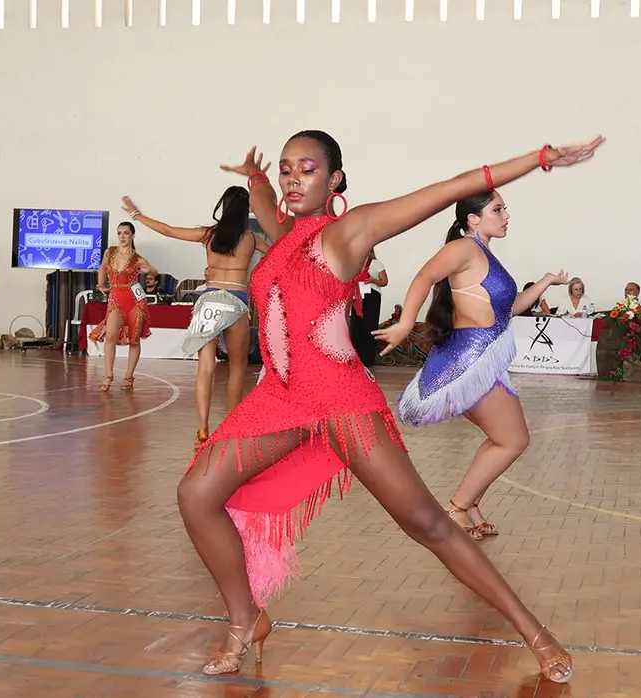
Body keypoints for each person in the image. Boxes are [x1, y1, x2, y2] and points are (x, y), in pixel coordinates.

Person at [177, 131, 604, 683]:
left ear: (334, 180)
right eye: (287, 169)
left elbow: (451, 187)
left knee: (427, 523)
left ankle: (535, 632)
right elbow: (269, 211)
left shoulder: (349, 232)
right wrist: (257, 181)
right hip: (279, 399)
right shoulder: (284, 236)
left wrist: (541, 159)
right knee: (195, 493)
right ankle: (246, 619)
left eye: (306, 169)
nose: (292, 178)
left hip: (339, 401)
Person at [375, 191, 568, 540]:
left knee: (502, 438)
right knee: (513, 440)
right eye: (498, 209)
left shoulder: (481, 253)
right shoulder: (464, 248)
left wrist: (545, 282)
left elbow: (504, 313)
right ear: (473, 219)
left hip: (484, 359)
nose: (506, 215)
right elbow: (424, 277)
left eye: (505, 208)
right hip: (470, 361)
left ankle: (471, 504)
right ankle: (457, 507)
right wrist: (405, 324)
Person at [122, 188, 268, 448]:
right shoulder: (252, 239)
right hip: (236, 302)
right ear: (246, 210)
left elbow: (168, 230)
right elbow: (282, 252)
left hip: (208, 301)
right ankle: (232, 428)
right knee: (237, 366)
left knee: (205, 367)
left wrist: (137, 214)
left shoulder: (208, 234)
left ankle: (202, 430)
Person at [89, 221, 156, 392]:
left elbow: (154, 271)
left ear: (132, 235)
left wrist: (148, 271)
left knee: (134, 339)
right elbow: (102, 268)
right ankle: (108, 375)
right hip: (116, 299)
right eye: (119, 233)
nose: (122, 236)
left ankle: (128, 376)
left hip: (135, 300)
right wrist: (101, 285)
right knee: (110, 335)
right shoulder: (110, 252)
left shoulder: (137, 258)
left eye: (126, 233)